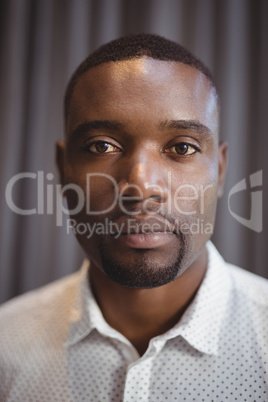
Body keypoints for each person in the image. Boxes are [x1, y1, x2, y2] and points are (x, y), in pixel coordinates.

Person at [0, 33, 267, 402]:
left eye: (182, 147)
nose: (141, 186)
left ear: (220, 171)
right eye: (101, 146)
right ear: (63, 170)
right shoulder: (5, 345)